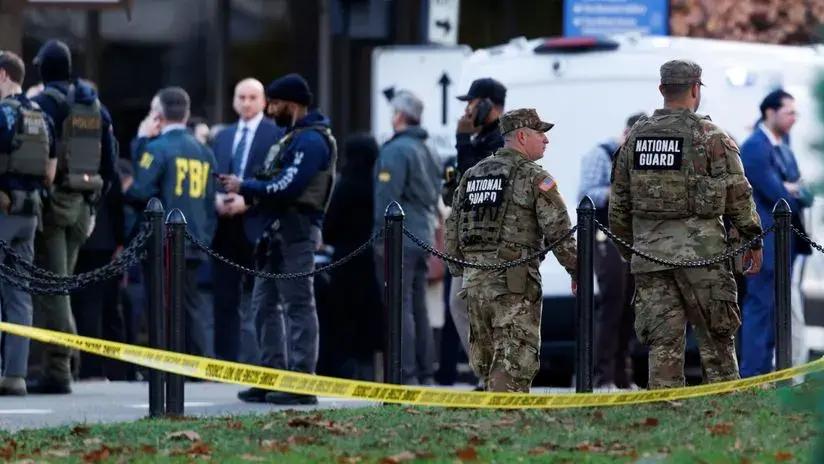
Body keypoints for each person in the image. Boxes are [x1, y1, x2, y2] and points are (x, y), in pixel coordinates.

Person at [609, 59, 764, 389]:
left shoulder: (634, 139)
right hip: (704, 260)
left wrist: (634, 251)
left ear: (662, 90)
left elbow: (618, 209)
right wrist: (753, 239)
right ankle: (724, 416)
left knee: (662, 347)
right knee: (717, 344)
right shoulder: (711, 136)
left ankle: (666, 414)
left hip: (651, 259)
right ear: (696, 90)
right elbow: (738, 195)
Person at [221, 73, 336, 405]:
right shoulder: (292, 138)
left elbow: (289, 185)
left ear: (292, 104)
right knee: (263, 306)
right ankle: (271, 374)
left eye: (274, 103)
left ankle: (302, 381)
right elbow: (270, 178)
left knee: (298, 305)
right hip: (274, 233)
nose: (269, 110)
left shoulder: (312, 140)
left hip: (297, 231)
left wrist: (245, 187)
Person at [445, 108, 577, 393]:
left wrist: (462, 270)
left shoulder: (472, 175)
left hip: (475, 284)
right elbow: (559, 231)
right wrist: (576, 269)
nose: (546, 140)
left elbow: (452, 230)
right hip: (514, 285)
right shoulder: (534, 177)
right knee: (514, 363)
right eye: (540, 133)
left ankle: (492, 427)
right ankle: (508, 426)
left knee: (487, 362)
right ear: (521, 136)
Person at [29, 40, 118, 394]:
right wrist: (93, 205)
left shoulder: (42, 105)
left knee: (54, 290)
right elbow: (109, 164)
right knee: (61, 284)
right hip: (84, 208)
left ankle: (60, 369)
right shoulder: (95, 107)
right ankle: (69, 360)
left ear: (42, 69)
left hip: (54, 207)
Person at [125, 87, 217, 359]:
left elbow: (140, 191)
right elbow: (211, 201)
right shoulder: (204, 151)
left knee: (161, 304)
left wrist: (140, 141)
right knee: (190, 304)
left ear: (158, 116)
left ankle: (164, 365)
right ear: (186, 114)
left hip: (163, 240)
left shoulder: (156, 147)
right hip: (196, 238)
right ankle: (198, 367)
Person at [739, 89, 813, 377]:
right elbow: (782, 195)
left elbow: (802, 190)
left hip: (786, 244)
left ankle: (770, 374)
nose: (794, 118)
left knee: (776, 314)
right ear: (770, 112)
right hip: (765, 245)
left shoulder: (782, 147)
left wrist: (796, 190)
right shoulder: (756, 147)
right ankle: (753, 376)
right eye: (789, 112)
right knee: (761, 310)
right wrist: (794, 189)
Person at [211, 78, 282, 364]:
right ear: (234, 101)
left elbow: (277, 180)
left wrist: (248, 201)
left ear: (263, 102)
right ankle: (224, 360)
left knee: (261, 299)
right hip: (224, 226)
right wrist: (216, 199)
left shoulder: (275, 134)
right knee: (224, 298)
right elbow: (212, 174)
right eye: (241, 97)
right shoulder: (224, 136)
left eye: (253, 97)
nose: (246, 103)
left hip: (257, 225)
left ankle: (259, 362)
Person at [373, 89, 441, 386]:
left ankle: (405, 373)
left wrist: (380, 237)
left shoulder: (396, 150)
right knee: (418, 306)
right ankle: (425, 372)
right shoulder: (429, 149)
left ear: (399, 115)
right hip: (423, 235)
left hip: (400, 239)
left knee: (400, 308)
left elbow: (386, 201)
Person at [442, 78, 506, 383]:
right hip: (469, 238)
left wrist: (461, 141)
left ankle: (494, 374)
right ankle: (485, 371)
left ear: (487, 104)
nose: (466, 110)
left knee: (482, 305)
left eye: (471, 102)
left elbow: (476, 181)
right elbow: (459, 189)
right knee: (461, 303)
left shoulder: (500, 141)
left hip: (491, 240)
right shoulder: (478, 140)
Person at [0, 51, 56, 395]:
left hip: (2, 209)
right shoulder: (41, 115)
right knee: (20, 296)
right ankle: (15, 376)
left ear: (3, 75)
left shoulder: (3, 114)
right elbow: (51, 173)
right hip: (29, 213)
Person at [578, 112, 645, 389]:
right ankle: (602, 375)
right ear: (626, 134)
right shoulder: (602, 154)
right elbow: (586, 195)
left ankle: (622, 376)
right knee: (612, 305)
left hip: (632, 239)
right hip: (605, 236)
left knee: (630, 307)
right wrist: (620, 191)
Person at [321, 133, 383, 380]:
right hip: (370, 260)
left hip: (345, 260)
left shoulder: (345, 186)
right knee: (368, 321)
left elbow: (330, 228)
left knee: (344, 320)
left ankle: (346, 374)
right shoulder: (377, 186)